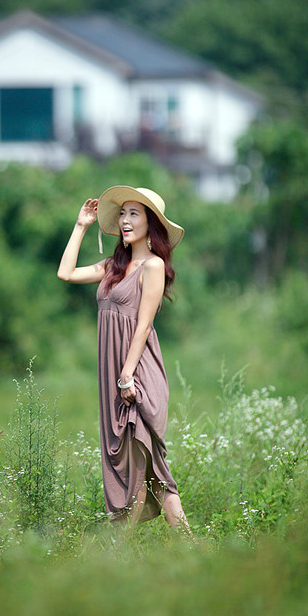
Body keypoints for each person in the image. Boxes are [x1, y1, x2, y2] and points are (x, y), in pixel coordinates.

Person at [57, 185, 192, 534]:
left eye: (135, 213)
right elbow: (66, 273)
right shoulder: (113, 266)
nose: (126, 220)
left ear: (151, 223)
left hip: (137, 374)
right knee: (145, 467)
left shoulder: (153, 266)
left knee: (147, 461)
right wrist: (81, 226)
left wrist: (127, 376)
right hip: (116, 376)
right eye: (122, 213)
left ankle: (122, 550)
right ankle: (188, 547)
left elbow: (144, 324)